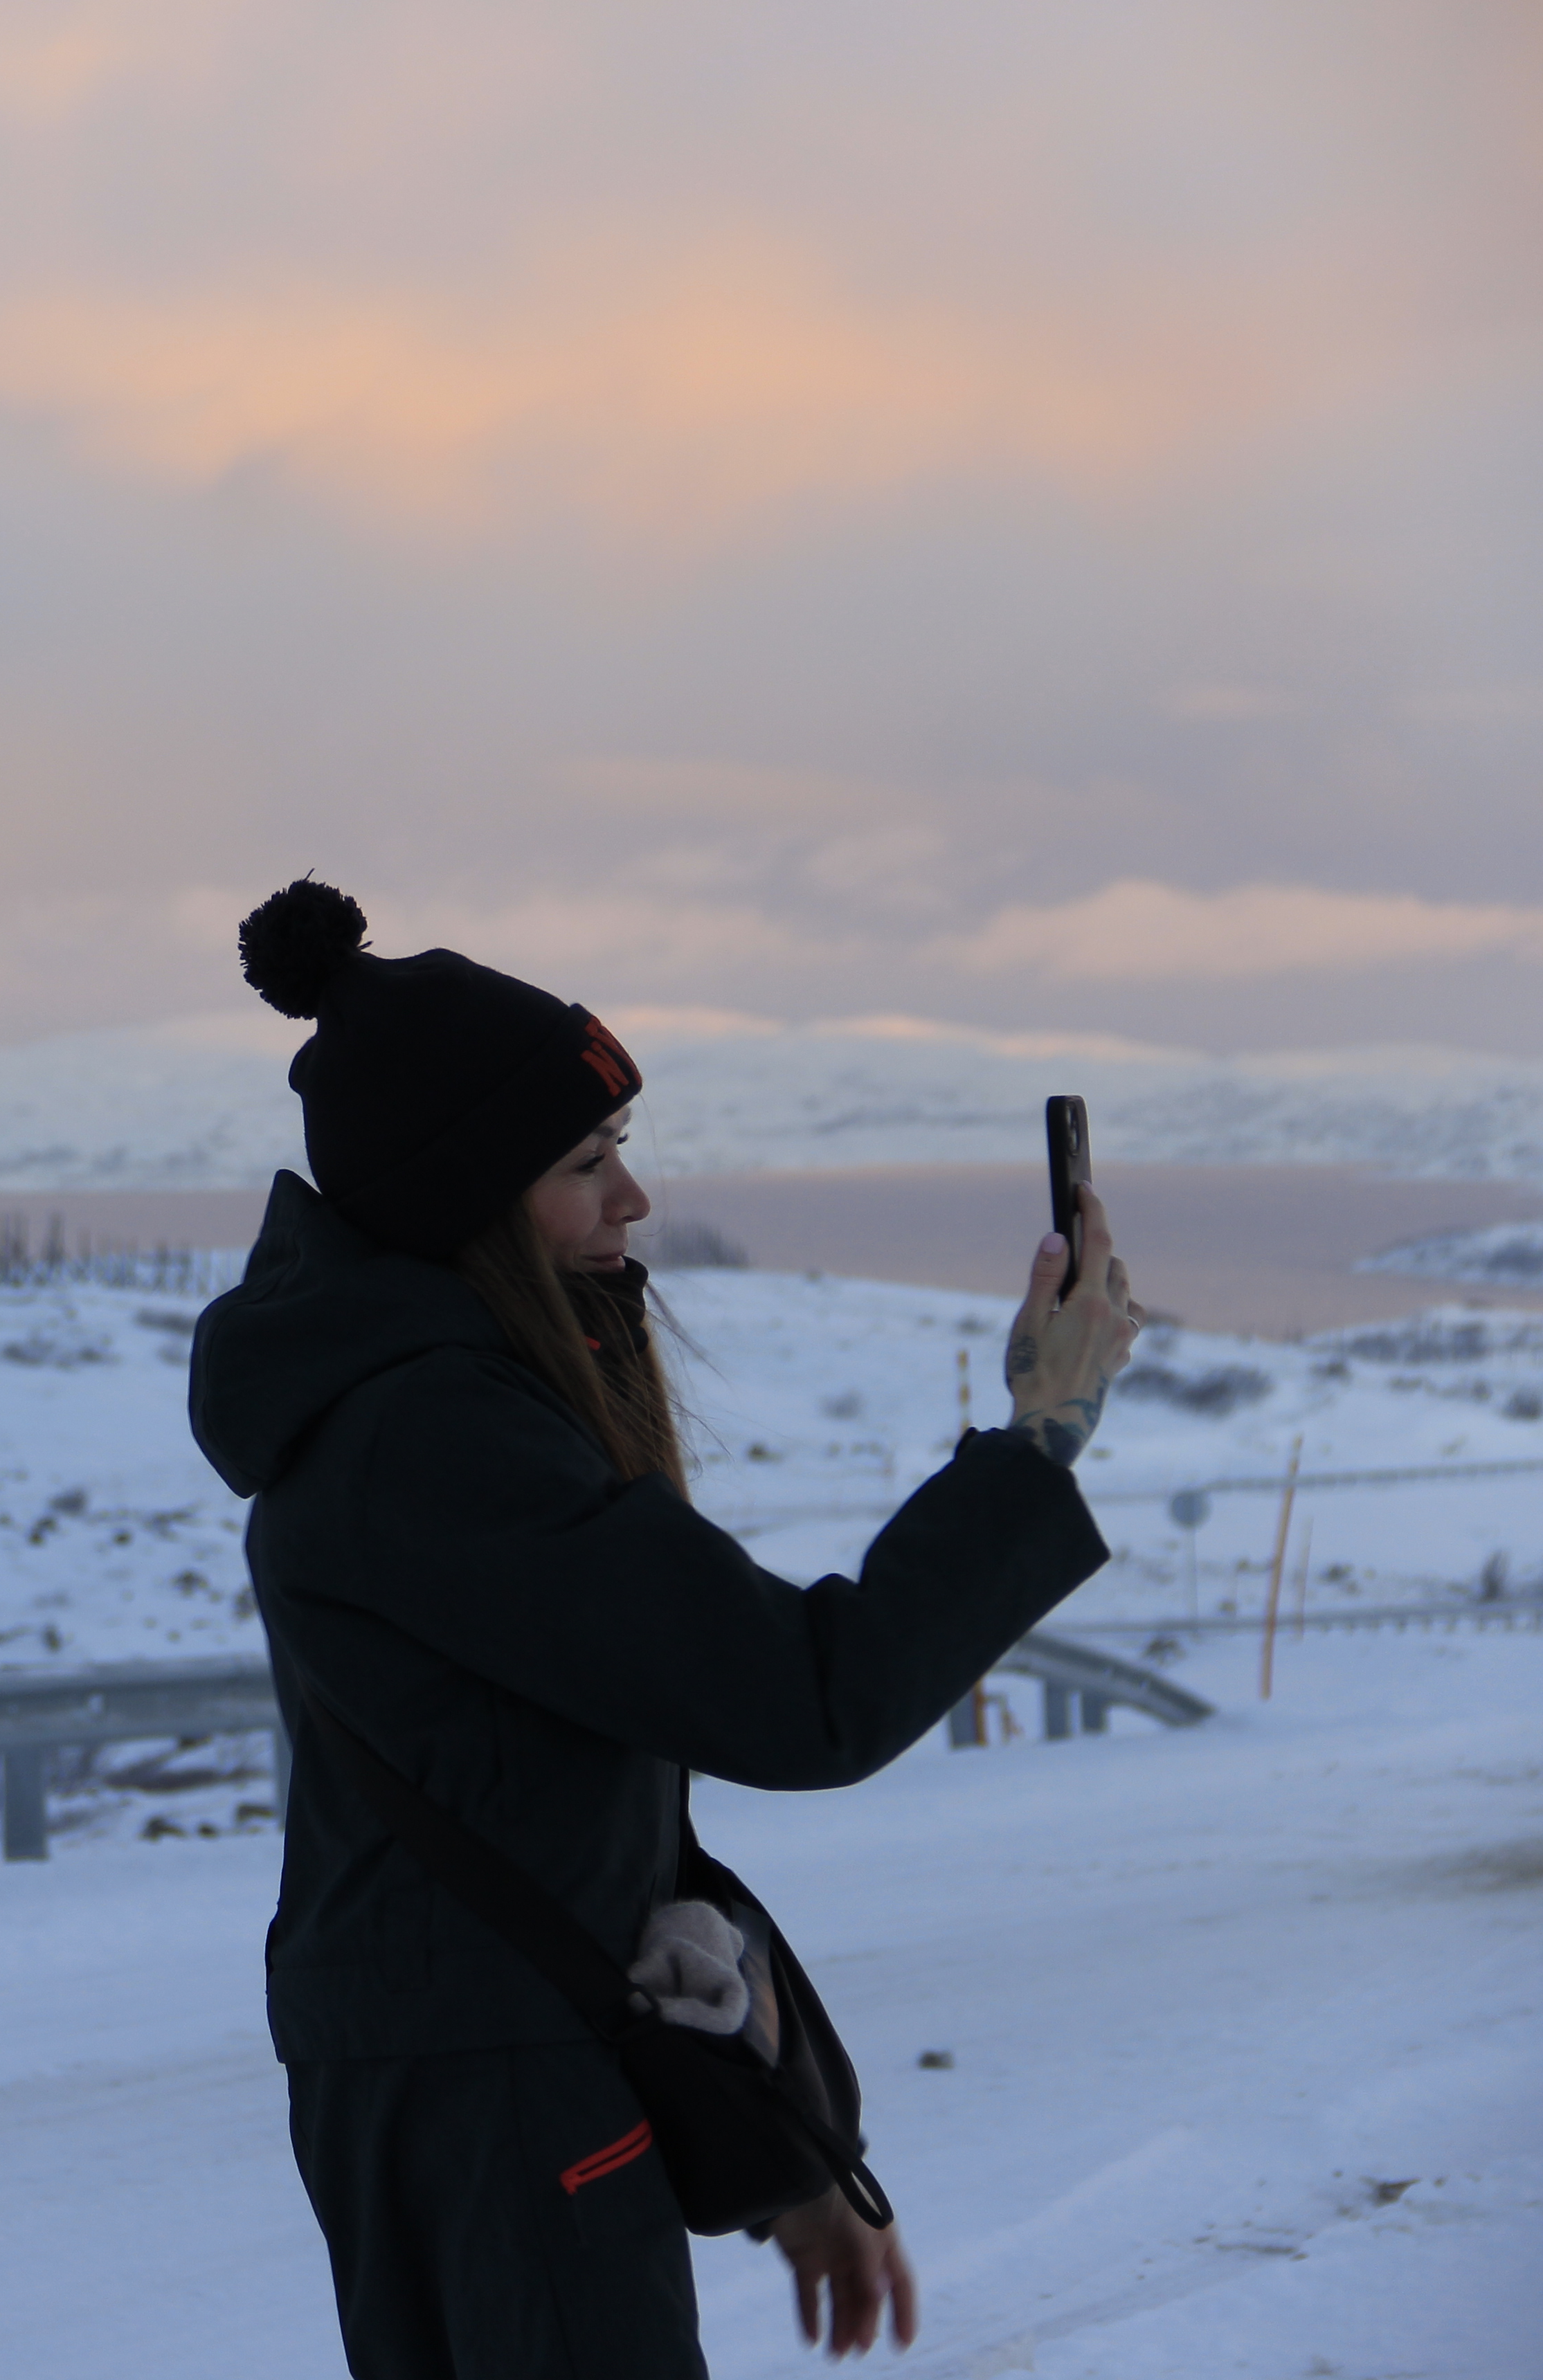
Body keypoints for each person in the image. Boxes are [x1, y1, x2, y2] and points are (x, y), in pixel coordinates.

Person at [186, 880, 1138, 2376]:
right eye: (587, 1163)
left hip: (473, 2074)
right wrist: (1039, 1441)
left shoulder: (416, 1406)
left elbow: (557, 1798)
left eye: (620, 1148)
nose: (633, 1199)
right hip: (500, 2095)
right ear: (464, 1203)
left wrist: (779, 2140)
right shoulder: (437, 1438)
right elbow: (805, 1698)